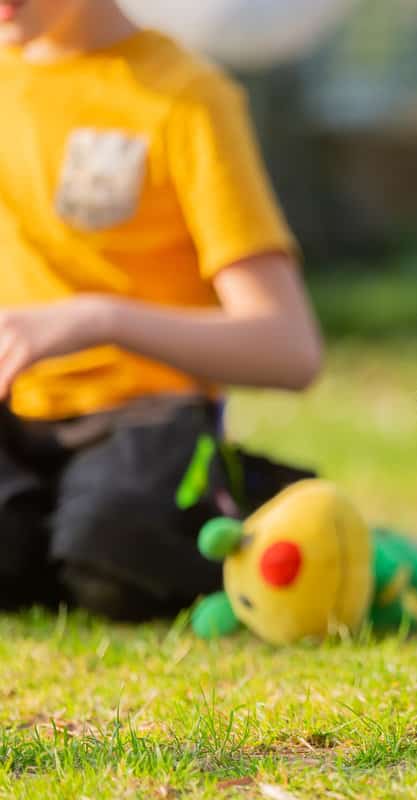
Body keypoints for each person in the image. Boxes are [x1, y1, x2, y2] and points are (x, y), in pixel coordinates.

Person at [0, 0, 324, 620]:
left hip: (145, 420)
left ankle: (250, 499)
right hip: (15, 415)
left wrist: (99, 320)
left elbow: (289, 348)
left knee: (112, 556)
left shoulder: (187, 97)